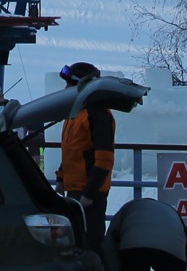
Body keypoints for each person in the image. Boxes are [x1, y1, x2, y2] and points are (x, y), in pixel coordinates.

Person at [55, 62, 114, 252]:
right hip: (75, 189)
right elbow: (72, 150)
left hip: (89, 193)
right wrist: (61, 177)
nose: (66, 89)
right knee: (75, 241)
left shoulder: (98, 115)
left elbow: (104, 160)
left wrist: (90, 192)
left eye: (69, 84)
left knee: (91, 243)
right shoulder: (75, 113)